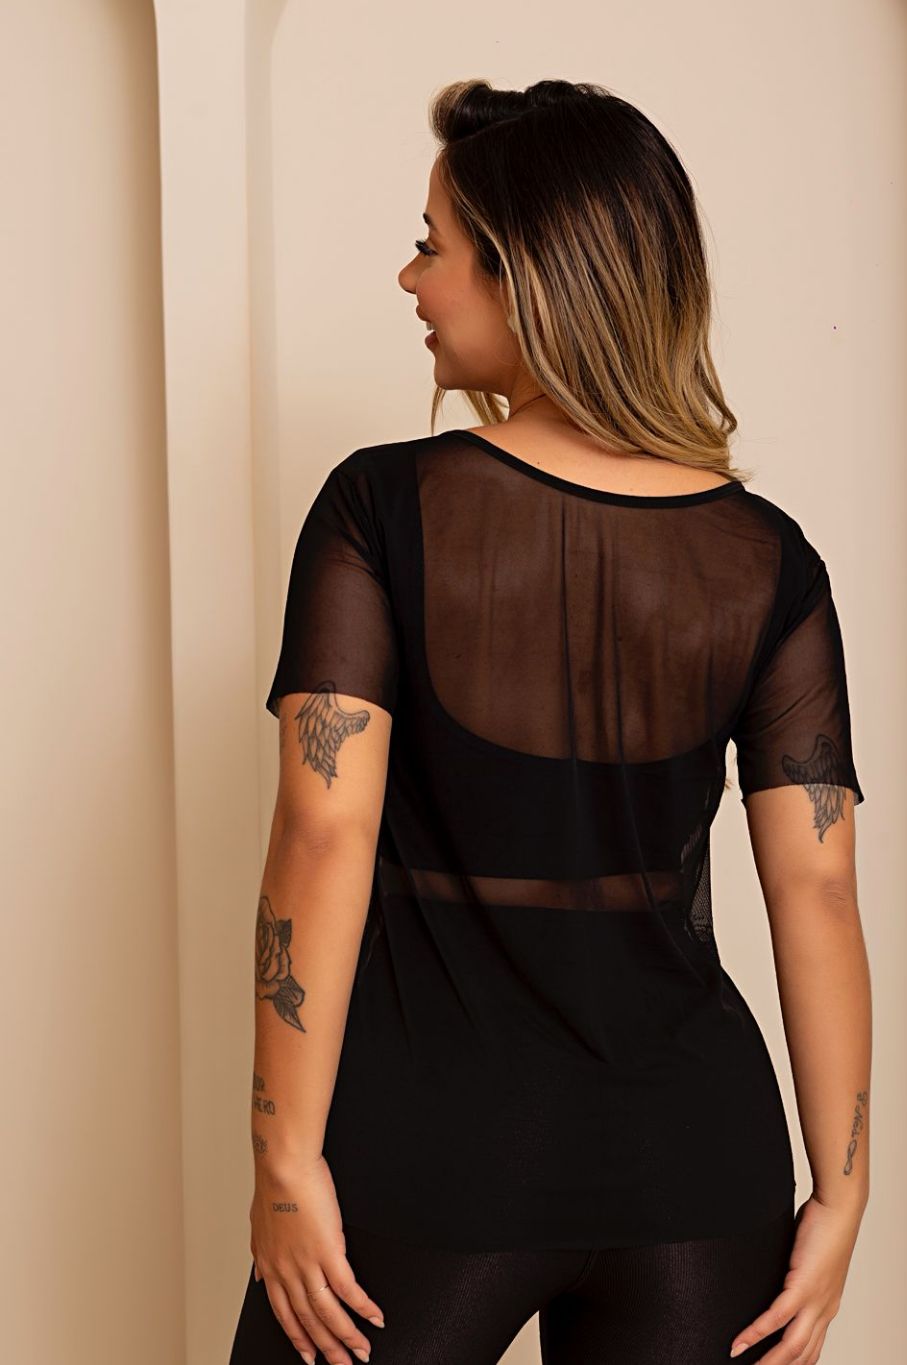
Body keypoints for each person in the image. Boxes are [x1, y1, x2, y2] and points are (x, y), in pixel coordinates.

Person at [229, 78, 871, 1365]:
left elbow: (322, 832)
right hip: (698, 1164)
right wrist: (842, 1189)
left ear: (521, 273)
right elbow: (816, 888)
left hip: (438, 1155)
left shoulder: (379, 509)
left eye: (431, 245)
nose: (410, 279)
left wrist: (285, 1160)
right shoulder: (769, 560)